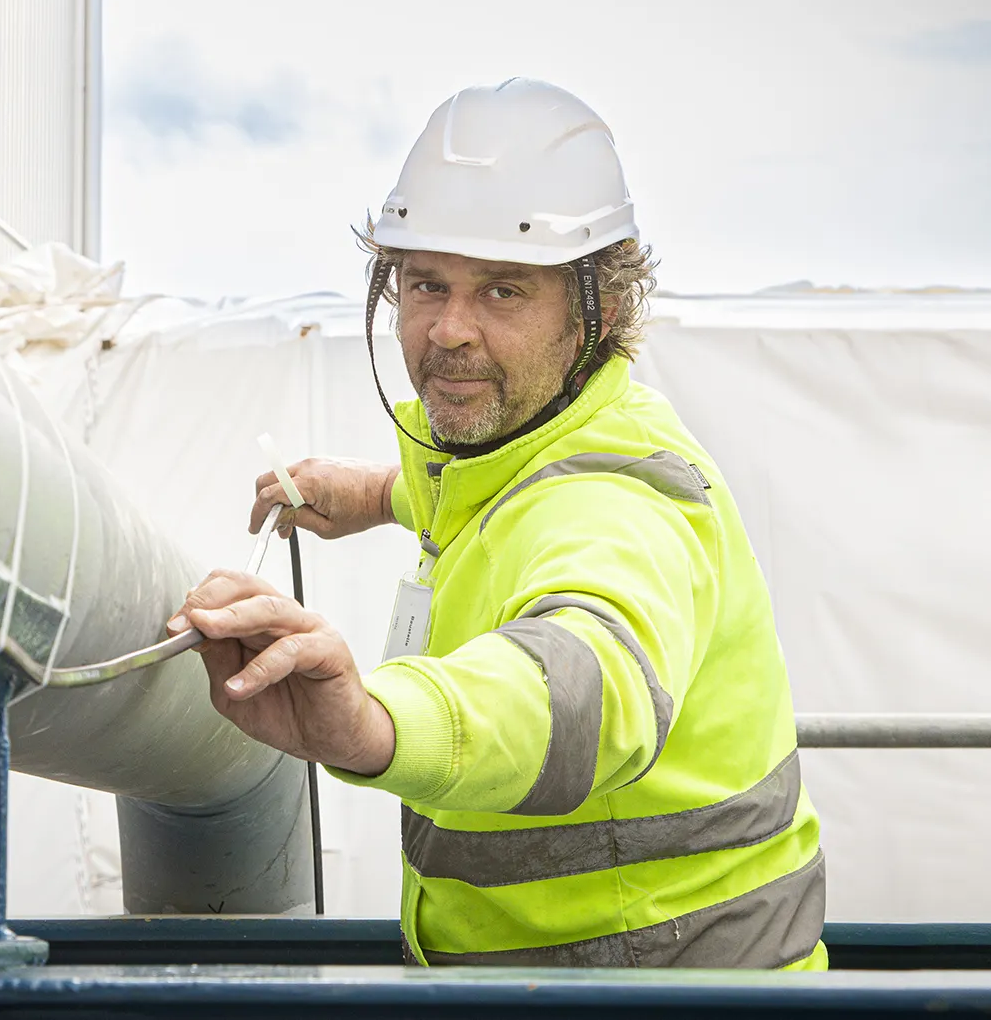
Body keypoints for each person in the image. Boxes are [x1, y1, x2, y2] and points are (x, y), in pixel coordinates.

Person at [168, 78, 826, 969]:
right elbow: (484, 507)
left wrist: (368, 723)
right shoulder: (510, 458)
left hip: (668, 1004)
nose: (447, 330)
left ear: (603, 314)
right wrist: (370, 493)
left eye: (505, 292)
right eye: (425, 283)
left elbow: (579, 684)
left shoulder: (620, 502)